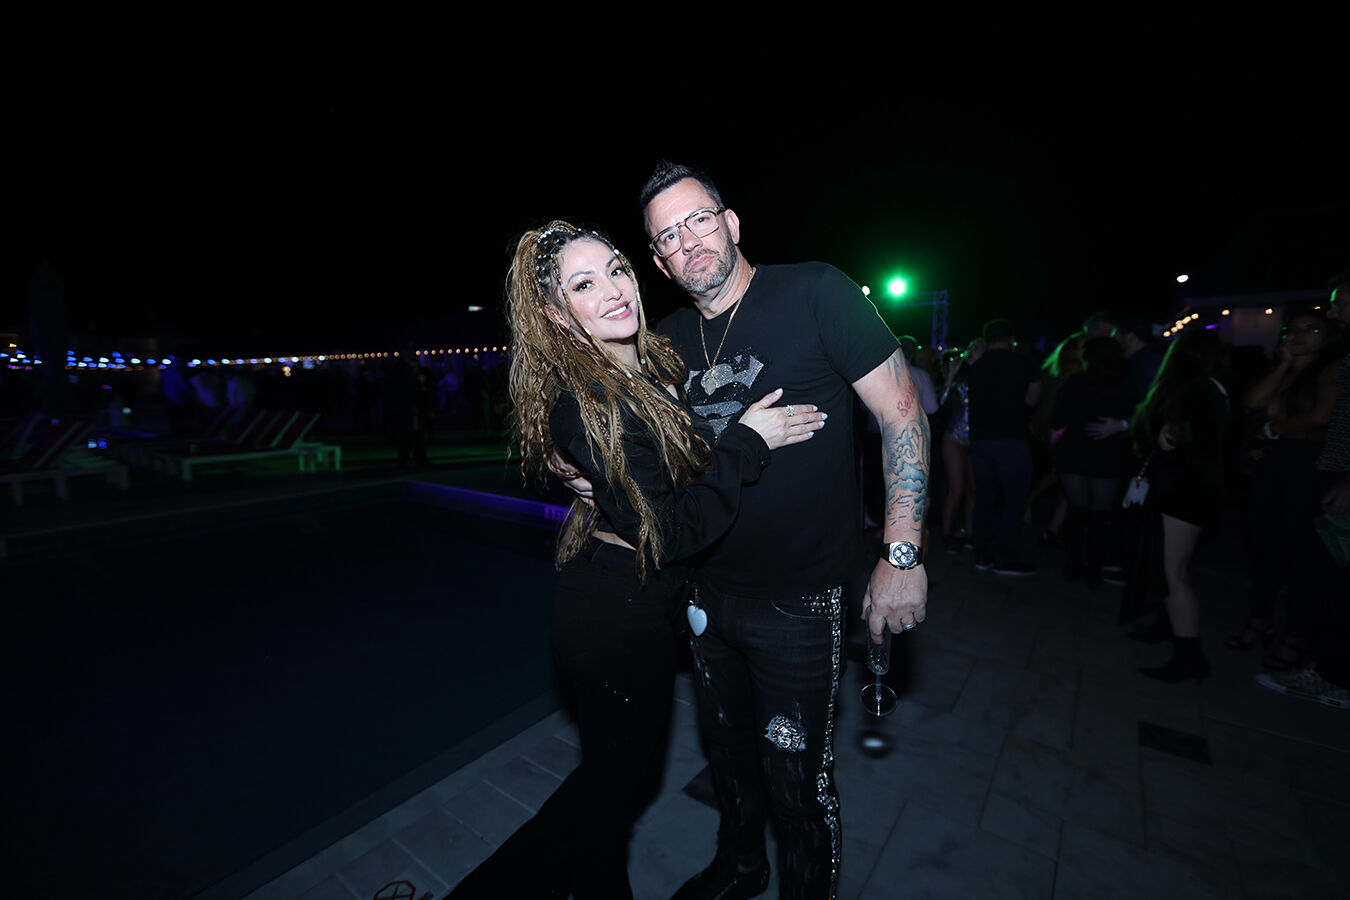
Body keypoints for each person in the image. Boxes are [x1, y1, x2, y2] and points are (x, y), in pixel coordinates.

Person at [448, 222, 825, 899]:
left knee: (613, 788)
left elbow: (665, 479)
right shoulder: (592, 404)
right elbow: (671, 533)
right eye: (584, 284)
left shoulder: (646, 367)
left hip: (638, 602)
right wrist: (748, 441)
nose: (614, 290)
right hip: (614, 618)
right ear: (558, 315)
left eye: (617, 269)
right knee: (608, 791)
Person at [640, 161, 929, 900]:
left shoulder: (815, 291)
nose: (688, 241)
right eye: (668, 236)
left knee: (798, 780)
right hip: (705, 593)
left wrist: (901, 554)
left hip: (799, 600)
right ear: (659, 262)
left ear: (731, 223)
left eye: (699, 219)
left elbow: (901, 412)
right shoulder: (666, 340)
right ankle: (741, 866)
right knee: (728, 758)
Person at [1228, 308, 1342, 671]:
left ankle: (1295, 636)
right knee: (1262, 546)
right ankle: (1259, 621)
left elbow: (1323, 416)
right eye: (1293, 329)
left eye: (1311, 330)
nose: (1299, 335)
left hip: (1309, 466)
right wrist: (1284, 366)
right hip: (1274, 465)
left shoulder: (1333, 369)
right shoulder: (1285, 371)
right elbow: (1252, 402)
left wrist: (1274, 430)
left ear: (1326, 338)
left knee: (1302, 557)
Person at [1130, 327, 1230, 684]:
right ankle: (1168, 626)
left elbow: (1198, 436)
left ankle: (1190, 657)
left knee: (1174, 572)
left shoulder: (1197, 389)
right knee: (1169, 566)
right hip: (1193, 488)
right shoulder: (1213, 386)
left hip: (1186, 490)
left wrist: (1169, 433)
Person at [1048, 336, 1137, 585]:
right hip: (1109, 454)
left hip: (1075, 451)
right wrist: (1120, 425)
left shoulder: (1075, 383)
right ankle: (1094, 569)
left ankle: (1073, 565)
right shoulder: (1127, 384)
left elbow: (1056, 418)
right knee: (1100, 515)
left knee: (1077, 512)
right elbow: (1141, 415)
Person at [964, 318, 1041, 575]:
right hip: (1012, 438)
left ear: (987, 340)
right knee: (1014, 499)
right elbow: (1033, 398)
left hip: (980, 440)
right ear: (1011, 340)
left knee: (984, 496)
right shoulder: (1024, 362)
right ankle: (1005, 558)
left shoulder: (976, 365)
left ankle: (981, 554)